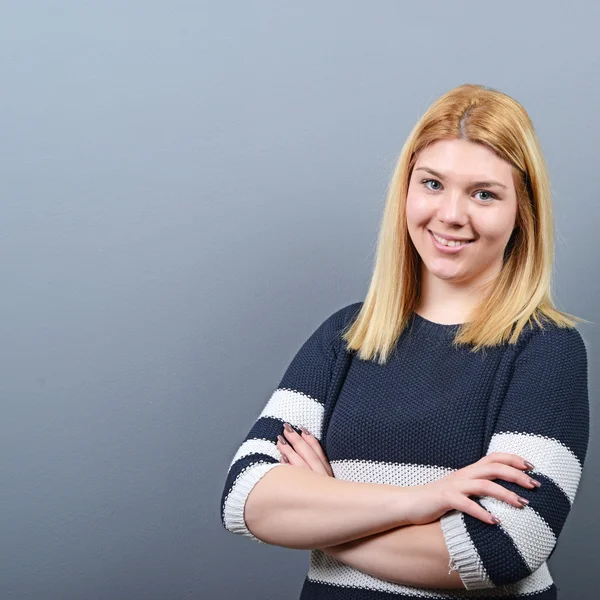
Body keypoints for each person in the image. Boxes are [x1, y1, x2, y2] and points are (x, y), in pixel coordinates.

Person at [219, 83, 590, 598]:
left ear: (522, 212)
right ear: (406, 190)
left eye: (484, 193)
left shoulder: (546, 349)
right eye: (433, 183)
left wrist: (327, 512)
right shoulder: (345, 337)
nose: (451, 214)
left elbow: (502, 550)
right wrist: (418, 502)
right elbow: (246, 499)